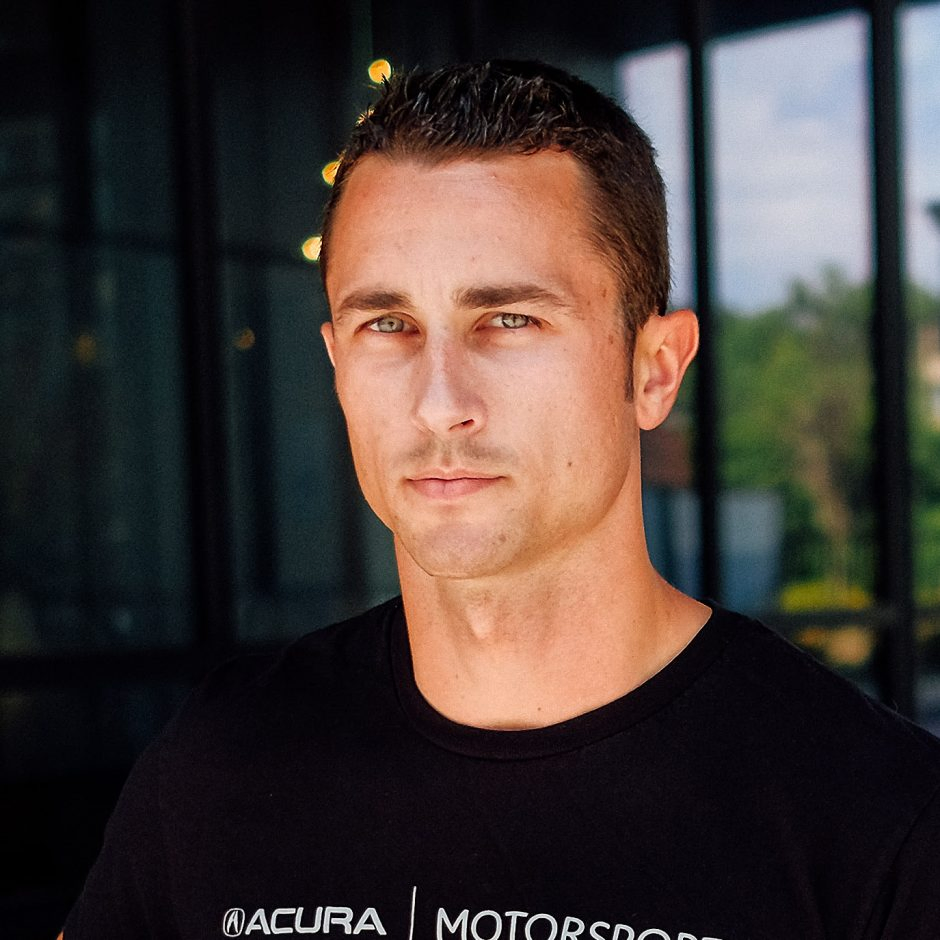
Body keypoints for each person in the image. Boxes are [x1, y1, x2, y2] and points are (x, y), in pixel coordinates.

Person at [63, 60, 940, 940]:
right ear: (336, 364)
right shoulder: (217, 766)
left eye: (510, 320)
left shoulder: (883, 826)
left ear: (654, 370)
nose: (439, 403)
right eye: (388, 326)